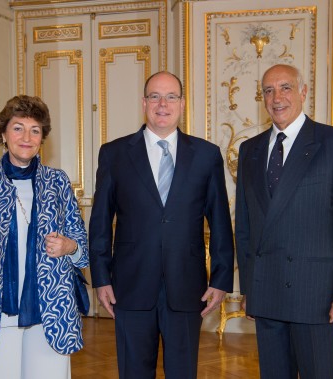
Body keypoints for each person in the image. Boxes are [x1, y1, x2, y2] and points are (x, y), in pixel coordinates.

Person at [88, 71, 235, 379]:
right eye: (155, 96)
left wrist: (221, 280)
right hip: (129, 285)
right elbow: (100, 221)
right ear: (144, 103)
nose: (162, 104)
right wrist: (101, 278)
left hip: (187, 284)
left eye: (171, 97)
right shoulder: (114, 154)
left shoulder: (207, 155)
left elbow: (220, 221)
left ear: (182, 104)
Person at [0, 95, 89, 378]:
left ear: (42, 138)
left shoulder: (58, 183)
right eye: (18, 128)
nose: (26, 137)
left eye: (35, 130)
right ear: (4, 134)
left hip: (49, 311)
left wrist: (70, 246)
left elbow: (81, 244)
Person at [235, 64, 333, 379]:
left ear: (303, 92)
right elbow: (245, 227)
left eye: (285, 87)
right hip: (267, 294)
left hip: (316, 296)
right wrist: (250, 290)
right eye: (268, 90)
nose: (276, 97)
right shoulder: (249, 149)